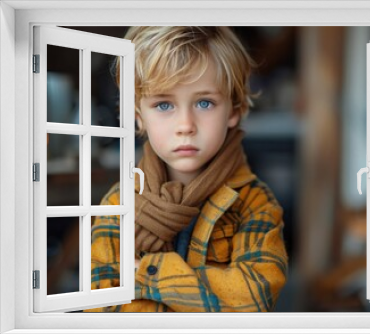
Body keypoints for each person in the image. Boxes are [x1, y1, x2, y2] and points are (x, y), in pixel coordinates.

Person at [85, 26, 288, 312]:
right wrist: (205, 295)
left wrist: (148, 273)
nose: (185, 125)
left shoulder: (254, 204)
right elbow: (101, 309)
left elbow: (253, 300)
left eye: (204, 103)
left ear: (233, 110)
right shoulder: (119, 204)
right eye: (164, 104)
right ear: (138, 115)